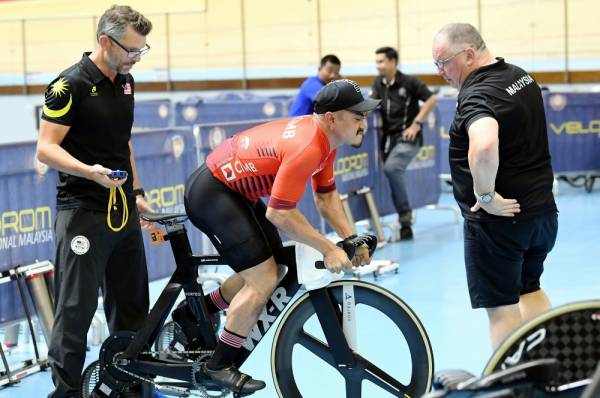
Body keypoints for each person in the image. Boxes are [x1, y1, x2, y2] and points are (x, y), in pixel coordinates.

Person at [183, 79, 378, 394]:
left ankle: (200, 310)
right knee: (263, 278)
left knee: (277, 267)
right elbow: (280, 213)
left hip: (232, 192)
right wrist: (329, 248)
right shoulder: (308, 146)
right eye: (357, 116)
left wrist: (351, 241)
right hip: (213, 192)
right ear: (332, 118)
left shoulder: (325, 142)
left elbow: (327, 199)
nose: (364, 123)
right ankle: (217, 367)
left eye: (365, 116)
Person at [36, 5, 157, 397]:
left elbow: (124, 142)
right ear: (105, 42)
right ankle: (67, 392)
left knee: (133, 306)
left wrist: (136, 192)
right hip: (83, 213)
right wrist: (89, 171)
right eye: (130, 50)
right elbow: (46, 148)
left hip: (122, 211)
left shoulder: (126, 82)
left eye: (142, 51)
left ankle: (129, 387)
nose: (136, 58)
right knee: (75, 312)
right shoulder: (67, 85)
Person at [432, 23, 558, 349]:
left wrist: (485, 195)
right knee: (530, 289)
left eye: (443, 63)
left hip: (499, 224)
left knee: (502, 310)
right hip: (540, 213)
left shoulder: (477, 94)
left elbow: (485, 144)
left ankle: (514, 385)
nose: (440, 72)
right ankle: (551, 374)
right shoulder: (520, 76)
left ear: (469, 54)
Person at [370, 46, 438, 240]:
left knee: (392, 168)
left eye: (381, 61)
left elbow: (432, 99)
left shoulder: (409, 82)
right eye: (376, 62)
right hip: (387, 140)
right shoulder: (378, 83)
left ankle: (405, 217)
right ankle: (393, 221)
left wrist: (416, 124)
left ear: (393, 62)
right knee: (388, 173)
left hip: (408, 138)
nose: (378, 66)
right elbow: (371, 103)